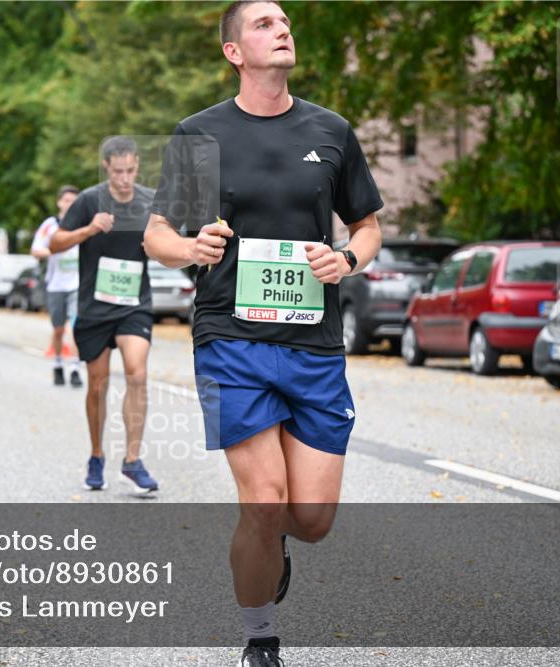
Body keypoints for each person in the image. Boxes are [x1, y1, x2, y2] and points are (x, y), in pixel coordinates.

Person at [143, 3, 384, 664]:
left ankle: (274, 538)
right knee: (264, 499)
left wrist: (350, 259)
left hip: (313, 342)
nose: (282, 29)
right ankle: (260, 638)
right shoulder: (202, 134)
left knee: (310, 519)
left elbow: (367, 224)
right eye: (263, 24)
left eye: (284, 21)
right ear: (233, 52)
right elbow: (156, 234)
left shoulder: (330, 130)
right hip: (231, 338)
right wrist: (191, 247)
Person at [49, 136, 159, 495]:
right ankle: (96, 455)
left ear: (137, 166)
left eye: (130, 171)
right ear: (106, 169)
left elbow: (168, 244)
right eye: (117, 172)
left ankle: (132, 460)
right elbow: (55, 243)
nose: (125, 179)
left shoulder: (149, 201)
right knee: (97, 385)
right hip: (95, 308)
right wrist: (89, 229)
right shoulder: (88, 200)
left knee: (137, 373)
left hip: (134, 304)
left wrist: (158, 247)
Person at [31, 185, 83, 387]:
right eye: (67, 200)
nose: (70, 204)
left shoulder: (84, 225)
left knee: (76, 326)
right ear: (59, 202)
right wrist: (54, 249)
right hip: (55, 285)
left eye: (74, 200)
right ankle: (59, 364)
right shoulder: (50, 225)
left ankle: (76, 369)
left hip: (77, 284)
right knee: (59, 329)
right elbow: (35, 250)